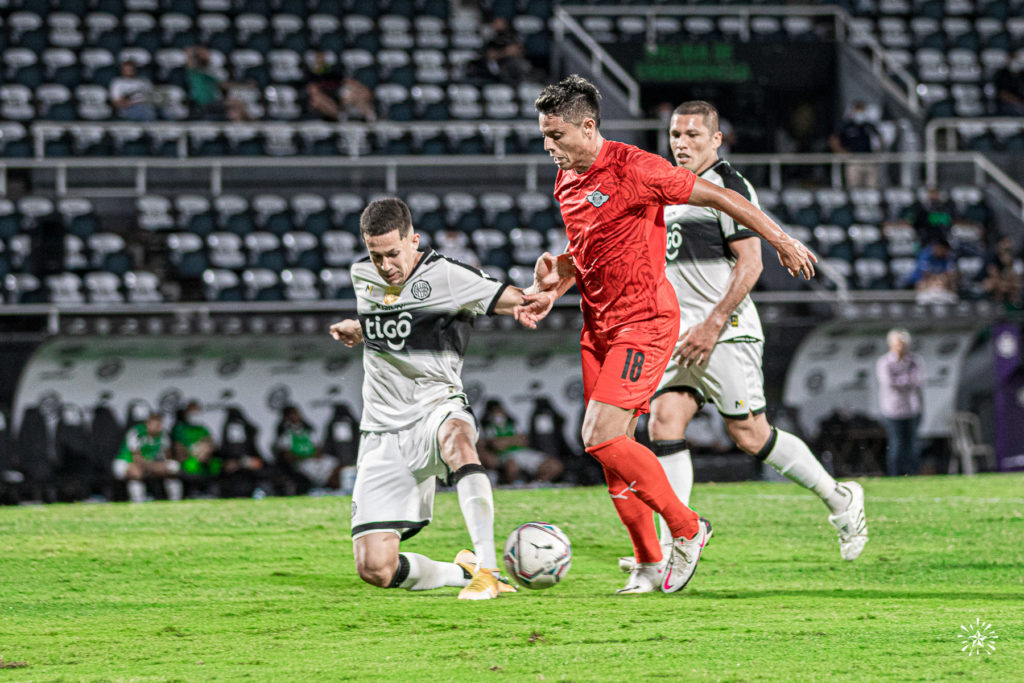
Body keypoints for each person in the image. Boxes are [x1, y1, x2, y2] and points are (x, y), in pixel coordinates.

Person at [516, 75, 817, 594]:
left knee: (600, 434)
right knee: (610, 451)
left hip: (646, 322)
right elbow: (589, 252)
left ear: (589, 127)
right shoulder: (566, 179)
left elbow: (722, 198)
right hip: (598, 325)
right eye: (544, 135)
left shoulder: (636, 168)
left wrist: (780, 239)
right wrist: (551, 287)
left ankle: (688, 528)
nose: (549, 146)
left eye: (557, 135)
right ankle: (648, 562)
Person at [632, 100, 867, 570]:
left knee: (750, 434)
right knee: (663, 423)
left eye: (693, 135)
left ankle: (841, 499)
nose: (681, 143)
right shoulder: (668, 190)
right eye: (676, 134)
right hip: (682, 335)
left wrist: (713, 322)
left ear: (716, 140)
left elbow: (752, 263)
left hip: (726, 331)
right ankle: (679, 542)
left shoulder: (729, 185)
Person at [328, 197, 537, 600]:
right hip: (382, 433)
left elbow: (516, 299)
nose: (385, 265)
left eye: (393, 254)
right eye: (376, 256)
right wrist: (360, 328)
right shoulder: (361, 275)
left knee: (458, 436)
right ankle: (464, 573)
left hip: (435, 409)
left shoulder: (446, 276)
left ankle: (489, 570)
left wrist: (542, 291)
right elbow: (391, 317)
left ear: (413, 241)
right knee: (375, 568)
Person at [876, 328, 925, 477]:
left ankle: (913, 474)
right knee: (896, 446)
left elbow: (918, 381)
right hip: (893, 411)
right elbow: (889, 383)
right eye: (898, 344)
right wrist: (906, 381)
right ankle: (895, 475)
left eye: (904, 344)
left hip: (911, 409)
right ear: (891, 344)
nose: (901, 347)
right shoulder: (885, 362)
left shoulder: (914, 361)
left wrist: (902, 382)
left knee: (912, 447)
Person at [479, 399, 563, 484]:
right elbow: (497, 445)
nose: (498, 414)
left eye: (499, 410)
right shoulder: (488, 427)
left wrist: (505, 441)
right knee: (512, 466)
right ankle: (516, 487)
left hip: (524, 453)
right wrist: (514, 439)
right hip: (506, 456)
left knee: (555, 465)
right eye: (495, 411)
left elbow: (525, 440)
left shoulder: (513, 424)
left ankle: (537, 484)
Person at [112, 412, 182, 503]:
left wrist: (161, 467)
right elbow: (137, 459)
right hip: (125, 462)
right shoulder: (136, 432)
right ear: (148, 424)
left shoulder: (163, 435)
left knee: (173, 467)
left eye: (160, 424)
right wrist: (155, 467)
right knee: (136, 472)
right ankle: (138, 503)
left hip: (150, 464)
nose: (158, 427)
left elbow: (167, 456)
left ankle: (176, 501)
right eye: (155, 424)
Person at [274, 405, 340, 494]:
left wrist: (316, 456)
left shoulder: (308, 430)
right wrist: (305, 457)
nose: (296, 417)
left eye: (297, 414)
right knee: (312, 470)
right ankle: (320, 489)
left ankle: (334, 490)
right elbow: (287, 456)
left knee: (333, 462)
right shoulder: (286, 434)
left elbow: (318, 448)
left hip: (314, 459)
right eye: (292, 415)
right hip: (301, 462)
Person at [184, 45, 250, 122]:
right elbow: (188, 54)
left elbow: (223, 84)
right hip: (203, 103)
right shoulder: (194, 74)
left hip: (212, 102)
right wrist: (197, 50)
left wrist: (246, 86)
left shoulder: (206, 74)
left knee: (236, 104)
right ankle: (248, 124)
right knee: (237, 103)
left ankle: (241, 125)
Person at [170, 400, 221, 497]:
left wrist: (205, 450)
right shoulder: (180, 429)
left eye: (197, 411)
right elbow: (178, 448)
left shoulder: (202, 429)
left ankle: (210, 492)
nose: (195, 414)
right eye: (192, 411)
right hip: (188, 459)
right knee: (190, 467)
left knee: (216, 463)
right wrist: (193, 453)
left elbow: (210, 442)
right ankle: (193, 492)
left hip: (204, 460)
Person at [828, 100, 881, 189]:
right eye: (858, 110)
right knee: (854, 188)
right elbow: (833, 140)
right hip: (854, 160)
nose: (860, 113)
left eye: (862, 110)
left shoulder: (868, 125)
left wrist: (878, 152)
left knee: (873, 188)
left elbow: (879, 138)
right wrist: (842, 152)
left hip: (869, 159)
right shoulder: (846, 125)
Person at [904, 237, 959, 304]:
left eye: (947, 251)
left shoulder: (947, 256)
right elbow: (925, 273)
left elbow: (952, 273)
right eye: (944, 250)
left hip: (938, 283)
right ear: (938, 247)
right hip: (918, 281)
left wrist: (943, 278)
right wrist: (940, 277)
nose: (946, 252)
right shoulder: (926, 253)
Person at [980, 236, 1022, 309]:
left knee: (1015, 284)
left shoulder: (1012, 257)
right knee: (999, 285)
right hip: (990, 281)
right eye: (1004, 243)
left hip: (1005, 281)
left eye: (1008, 243)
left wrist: (1008, 264)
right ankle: (997, 305)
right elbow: (994, 275)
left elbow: (1015, 276)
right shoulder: (991, 256)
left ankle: (1015, 305)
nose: (1007, 245)